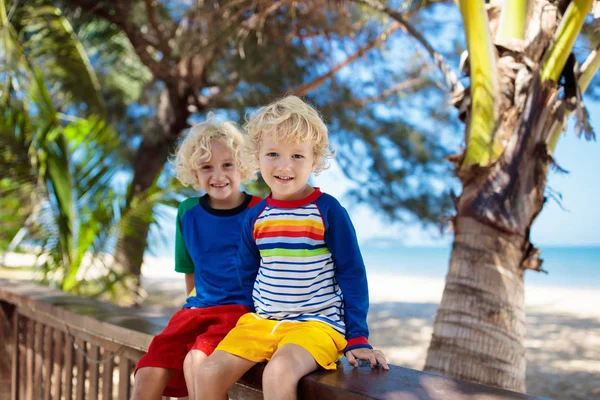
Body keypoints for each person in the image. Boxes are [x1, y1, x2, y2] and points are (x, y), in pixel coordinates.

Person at [190, 96, 388, 400]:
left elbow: (352, 274)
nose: (284, 166)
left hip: (317, 326)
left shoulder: (328, 211)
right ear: (256, 157)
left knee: (278, 373)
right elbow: (247, 273)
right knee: (207, 373)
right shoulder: (255, 217)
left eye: (297, 156)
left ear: (315, 160)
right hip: (262, 323)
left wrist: (358, 336)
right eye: (273, 153)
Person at [131, 117, 261, 400]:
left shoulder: (259, 211)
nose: (218, 175)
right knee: (147, 373)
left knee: (197, 362)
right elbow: (190, 272)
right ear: (194, 172)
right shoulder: (187, 212)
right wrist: (190, 313)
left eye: (228, 164)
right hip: (197, 308)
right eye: (206, 167)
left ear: (243, 165)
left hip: (242, 312)